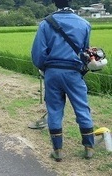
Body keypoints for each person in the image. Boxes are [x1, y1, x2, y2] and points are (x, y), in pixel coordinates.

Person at [31, 0, 94, 162]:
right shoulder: (84, 24)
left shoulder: (45, 24)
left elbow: (38, 53)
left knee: (54, 109)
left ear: (54, 3)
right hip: (74, 73)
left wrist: (44, 68)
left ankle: (58, 150)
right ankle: (88, 148)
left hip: (52, 72)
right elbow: (85, 52)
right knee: (81, 107)